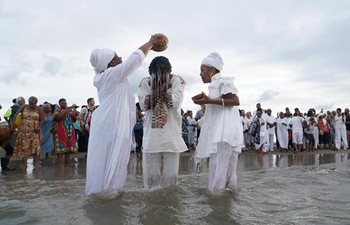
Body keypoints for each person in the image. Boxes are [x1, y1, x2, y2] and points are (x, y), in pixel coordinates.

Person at [85, 35, 166, 195]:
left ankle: (104, 196)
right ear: (109, 63)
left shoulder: (104, 77)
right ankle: (109, 196)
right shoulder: (111, 74)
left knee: (108, 161)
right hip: (110, 124)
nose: (120, 58)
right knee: (114, 160)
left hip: (106, 124)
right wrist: (150, 43)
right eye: (116, 57)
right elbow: (134, 60)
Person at [193, 52, 243, 191]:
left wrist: (209, 101)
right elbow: (221, 104)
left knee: (219, 167)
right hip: (224, 133)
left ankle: (216, 199)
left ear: (212, 70)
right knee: (226, 170)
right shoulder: (215, 84)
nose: (200, 74)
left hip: (224, 133)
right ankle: (229, 199)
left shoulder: (221, 80)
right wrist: (207, 104)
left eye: (202, 70)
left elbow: (235, 100)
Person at [138, 56, 187, 188]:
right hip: (151, 135)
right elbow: (143, 105)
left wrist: (159, 91)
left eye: (163, 71)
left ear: (169, 70)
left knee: (170, 180)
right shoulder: (145, 82)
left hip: (170, 135)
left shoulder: (176, 80)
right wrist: (160, 90)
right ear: (151, 72)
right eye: (156, 72)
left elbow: (175, 103)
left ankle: (169, 201)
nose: (160, 74)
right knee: (151, 180)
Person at [12, 96, 44, 169]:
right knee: (24, 147)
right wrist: (13, 123)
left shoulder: (39, 109)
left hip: (35, 131)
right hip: (24, 131)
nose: (31, 105)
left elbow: (42, 119)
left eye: (33, 103)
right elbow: (16, 114)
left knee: (35, 147)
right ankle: (25, 164)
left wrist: (39, 127)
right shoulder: (24, 107)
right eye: (30, 103)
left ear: (36, 103)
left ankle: (36, 163)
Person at [51, 98, 77, 164]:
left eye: (65, 103)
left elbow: (74, 120)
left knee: (69, 144)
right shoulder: (57, 110)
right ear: (60, 104)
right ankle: (60, 161)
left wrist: (74, 113)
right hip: (60, 131)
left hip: (70, 130)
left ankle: (67, 160)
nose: (65, 104)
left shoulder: (69, 110)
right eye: (63, 103)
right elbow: (56, 118)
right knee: (61, 145)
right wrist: (64, 112)